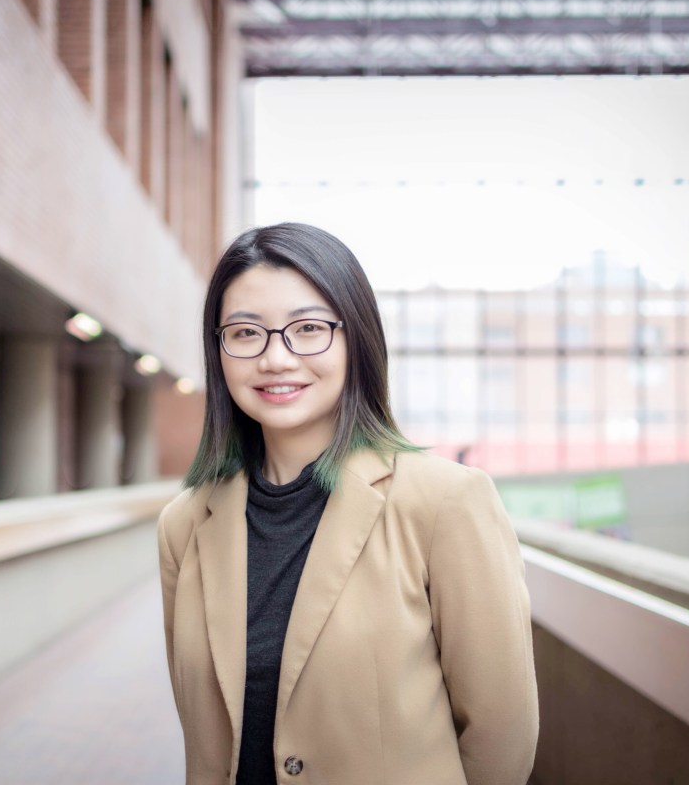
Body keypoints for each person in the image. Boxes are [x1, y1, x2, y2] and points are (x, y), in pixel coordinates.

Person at [158, 223, 538, 785]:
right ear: (219, 351)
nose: (276, 359)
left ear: (355, 338)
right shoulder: (185, 524)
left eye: (308, 328)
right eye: (245, 333)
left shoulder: (444, 502)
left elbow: (502, 734)